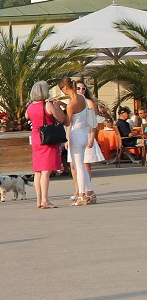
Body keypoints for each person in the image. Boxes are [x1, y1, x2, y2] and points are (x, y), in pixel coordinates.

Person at [25, 81, 67, 209]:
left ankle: (38, 200)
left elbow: (27, 117)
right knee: (46, 171)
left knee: (38, 171)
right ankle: (45, 200)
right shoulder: (47, 105)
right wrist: (57, 106)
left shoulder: (30, 107)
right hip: (47, 138)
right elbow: (61, 119)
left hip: (36, 137)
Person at [60, 77, 94, 206]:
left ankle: (82, 195)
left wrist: (60, 110)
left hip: (75, 135)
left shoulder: (71, 104)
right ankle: (89, 191)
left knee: (78, 167)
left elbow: (68, 122)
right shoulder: (82, 98)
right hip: (84, 134)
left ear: (65, 88)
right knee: (81, 166)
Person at [76, 81, 104, 201]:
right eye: (78, 88)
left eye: (83, 88)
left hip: (87, 134)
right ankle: (79, 189)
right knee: (75, 164)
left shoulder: (89, 103)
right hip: (76, 134)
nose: (81, 90)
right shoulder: (73, 102)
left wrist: (92, 137)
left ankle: (88, 189)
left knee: (86, 163)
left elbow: (94, 122)